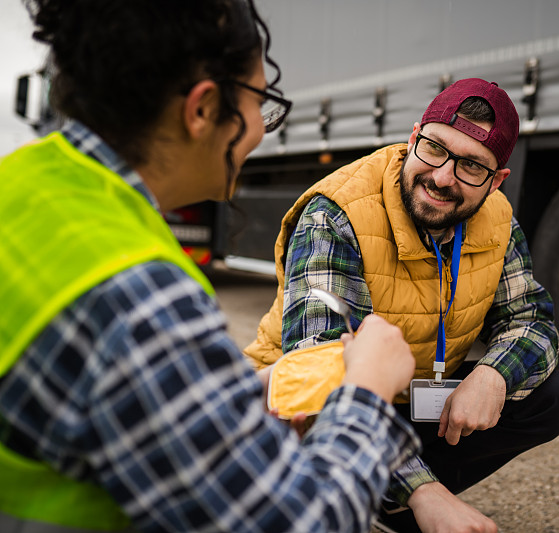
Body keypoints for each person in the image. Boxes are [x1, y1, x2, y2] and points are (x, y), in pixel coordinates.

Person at [0, 1, 421, 532]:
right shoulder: (142, 298)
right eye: (260, 103)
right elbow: (298, 522)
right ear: (202, 110)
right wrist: (368, 393)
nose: (262, 130)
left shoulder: (20, 185)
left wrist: (227, 396)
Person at [244, 78, 559, 532]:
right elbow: (320, 379)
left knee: (552, 398)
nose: (442, 177)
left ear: (496, 180)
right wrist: (427, 492)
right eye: (435, 149)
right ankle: (405, 500)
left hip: (406, 397)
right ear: (413, 137)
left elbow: (532, 321)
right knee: (307, 418)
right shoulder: (336, 213)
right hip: (301, 416)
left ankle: (388, 507)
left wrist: (493, 375)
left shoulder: (498, 219)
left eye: (471, 167)